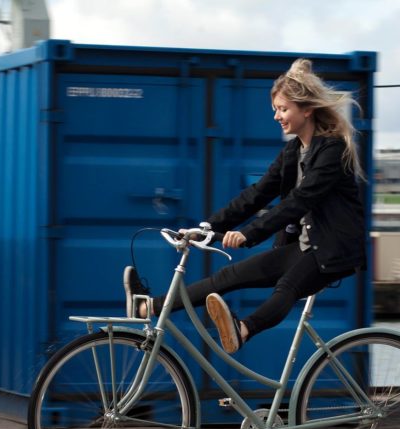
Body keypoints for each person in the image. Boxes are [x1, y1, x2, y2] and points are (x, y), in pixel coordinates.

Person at [124, 58, 367, 353]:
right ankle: (148, 307)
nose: (277, 116)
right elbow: (258, 193)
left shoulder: (331, 150)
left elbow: (299, 200)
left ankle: (242, 330)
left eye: (283, 109)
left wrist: (249, 234)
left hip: (333, 248)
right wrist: (209, 228)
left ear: (307, 109)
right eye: (275, 109)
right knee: (228, 276)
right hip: (307, 245)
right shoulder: (294, 151)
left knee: (287, 287)